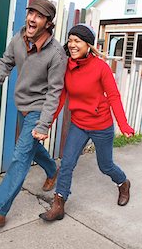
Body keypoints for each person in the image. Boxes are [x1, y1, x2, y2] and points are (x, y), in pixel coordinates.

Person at [0, 0, 67, 227]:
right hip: (22, 105)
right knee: (31, 148)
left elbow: (54, 93)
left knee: (20, 157)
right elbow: (5, 63)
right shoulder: (19, 39)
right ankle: (52, 170)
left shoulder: (56, 54)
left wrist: (43, 124)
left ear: (48, 23)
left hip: (39, 109)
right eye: (31, 13)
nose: (31, 18)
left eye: (38, 16)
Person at [38, 24, 134, 222]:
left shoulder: (101, 67)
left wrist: (124, 125)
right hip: (79, 124)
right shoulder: (66, 68)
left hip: (101, 125)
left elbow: (113, 96)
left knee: (105, 166)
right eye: (70, 40)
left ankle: (123, 183)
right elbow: (60, 98)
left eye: (77, 41)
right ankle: (58, 204)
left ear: (88, 45)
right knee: (67, 164)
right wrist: (46, 124)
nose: (72, 45)